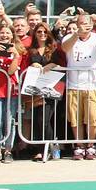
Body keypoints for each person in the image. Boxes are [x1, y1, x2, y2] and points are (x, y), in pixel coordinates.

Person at [60, 11, 96, 161]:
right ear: (77, 25)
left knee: (92, 117)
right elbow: (65, 47)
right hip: (74, 84)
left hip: (92, 85)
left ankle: (90, 145)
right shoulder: (69, 37)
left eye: (87, 23)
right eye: (82, 23)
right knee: (75, 118)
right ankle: (79, 145)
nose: (85, 26)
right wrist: (77, 34)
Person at [25, 22, 66, 161]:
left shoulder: (54, 48)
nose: (42, 34)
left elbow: (63, 63)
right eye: (39, 32)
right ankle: (42, 148)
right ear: (35, 34)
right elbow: (24, 65)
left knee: (45, 119)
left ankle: (47, 148)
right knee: (37, 119)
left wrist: (52, 64)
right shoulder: (31, 50)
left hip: (51, 87)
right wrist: (33, 64)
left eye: (44, 32)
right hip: (36, 88)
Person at [0, 24, 25, 163]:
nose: (5, 36)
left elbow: (10, 71)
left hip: (10, 89)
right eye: (2, 33)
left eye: (8, 33)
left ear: (12, 35)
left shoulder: (17, 50)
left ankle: (8, 150)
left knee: (9, 121)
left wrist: (15, 56)